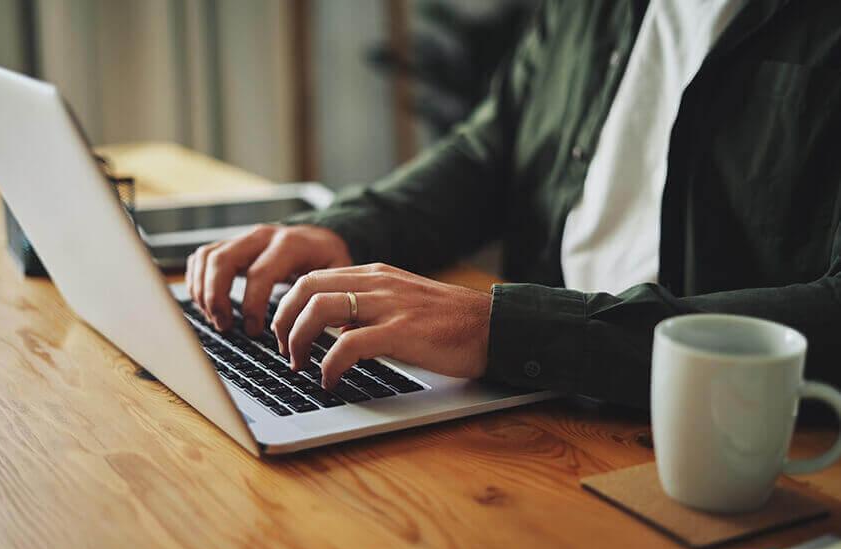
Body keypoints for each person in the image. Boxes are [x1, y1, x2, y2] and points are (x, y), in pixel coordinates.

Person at [186, 0, 841, 408]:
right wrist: (352, 230)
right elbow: (494, 149)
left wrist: (501, 330)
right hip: (533, 400)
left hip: (736, 450)